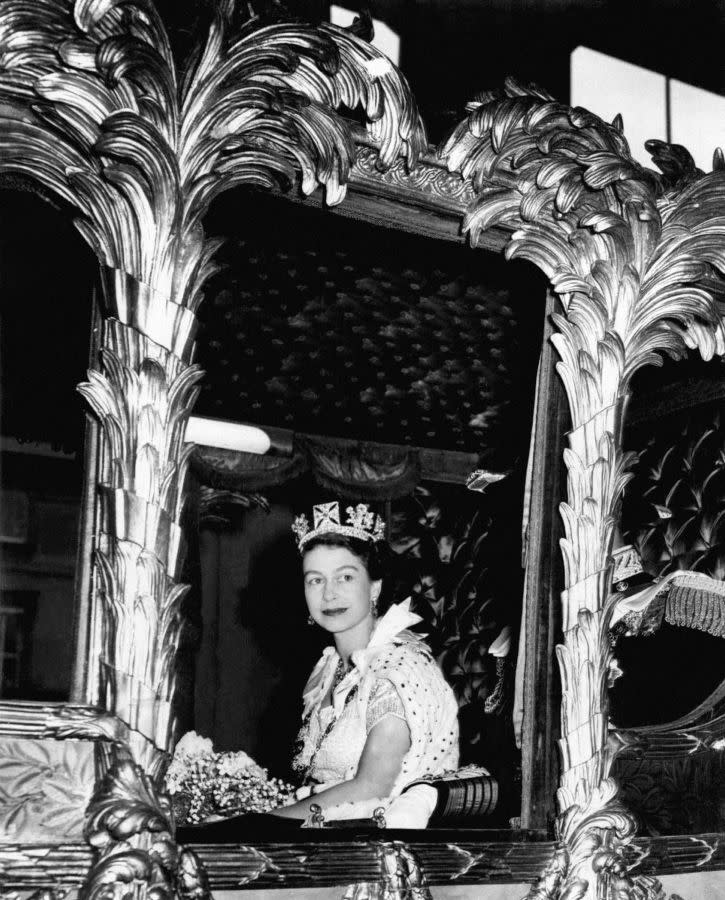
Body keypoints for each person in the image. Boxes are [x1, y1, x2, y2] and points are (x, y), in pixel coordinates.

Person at [271, 500, 460, 826]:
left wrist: (265, 821)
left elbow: (372, 787)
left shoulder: (398, 671)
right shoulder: (328, 669)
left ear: (375, 587)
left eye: (344, 577)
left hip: (382, 854)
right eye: (315, 580)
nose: (328, 594)